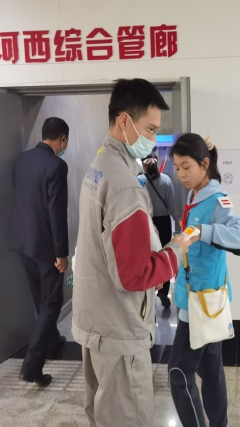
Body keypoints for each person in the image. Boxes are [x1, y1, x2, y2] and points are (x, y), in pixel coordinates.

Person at [71, 78, 193, 427]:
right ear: (124, 121)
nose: (153, 139)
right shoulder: (125, 185)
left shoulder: (99, 166)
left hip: (94, 320)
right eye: (150, 129)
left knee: (103, 415)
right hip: (119, 329)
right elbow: (134, 274)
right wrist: (175, 251)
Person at [168, 133, 240, 427]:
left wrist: (202, 232)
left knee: (178, 373)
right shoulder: (195, 195)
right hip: (197, 300)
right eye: (177, 167)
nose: (181, 174)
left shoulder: (217, 200)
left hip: (202, 305)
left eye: (186, 167)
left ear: (204, 164)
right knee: (211, 372)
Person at [10, 117, 70, 386]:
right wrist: (61, 252)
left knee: (40, 298)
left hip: (22, 242)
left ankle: (52, 342)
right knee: (52, 302)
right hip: (46, 246)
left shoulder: (20, 161)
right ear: (62, 139)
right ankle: (32, 366)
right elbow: (56, 212)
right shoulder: (57, 165)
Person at [137, 151, 180, 308]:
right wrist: (179, 225)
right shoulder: (166, 180)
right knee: (164, 255)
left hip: (146, 223)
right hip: (163, 224)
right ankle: (163, 290)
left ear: (143, 164)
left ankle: (148, 290)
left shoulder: (139, 181)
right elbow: (172, 206)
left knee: (146, 256)